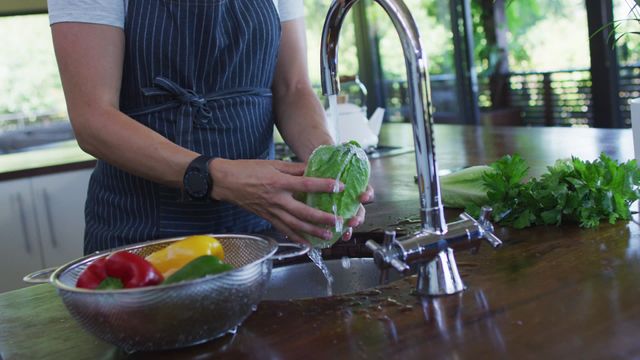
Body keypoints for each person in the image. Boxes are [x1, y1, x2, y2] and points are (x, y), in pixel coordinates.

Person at [48, 0, 374, 254]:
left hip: (261, 225)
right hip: (144, 232)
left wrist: (328, 170)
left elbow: (293, 88)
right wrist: (219, 178)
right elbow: (93, 118)